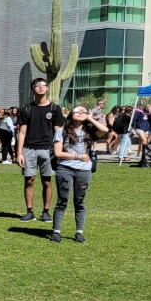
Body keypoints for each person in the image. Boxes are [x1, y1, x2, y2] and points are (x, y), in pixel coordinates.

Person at [51, 104, 107, 244]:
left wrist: (90, 118)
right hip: (65, 168)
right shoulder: (62, 131)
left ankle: (79, 233)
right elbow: (58, 153)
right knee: (62, 200)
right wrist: (78, 156)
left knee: (80, 202)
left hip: (84, 170)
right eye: (77, 111)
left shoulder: (89, 131)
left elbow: (104, 130)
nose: (81, 112)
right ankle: (56, 232)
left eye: (84, 111)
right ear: (71, 114)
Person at [16, 79, 63, 222]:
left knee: (47, 181)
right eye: (37, 85)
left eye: (43, 85)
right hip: (29, 149)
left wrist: (60, 151)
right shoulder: (26, 109)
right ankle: (29, 212)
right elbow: (22, 133)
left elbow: (59, 132)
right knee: (29, 180)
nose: (40, 87)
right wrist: (19, 153)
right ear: (32, 90)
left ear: (47, 88)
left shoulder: (54, 108)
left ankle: (46, 212)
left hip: (48, 150)